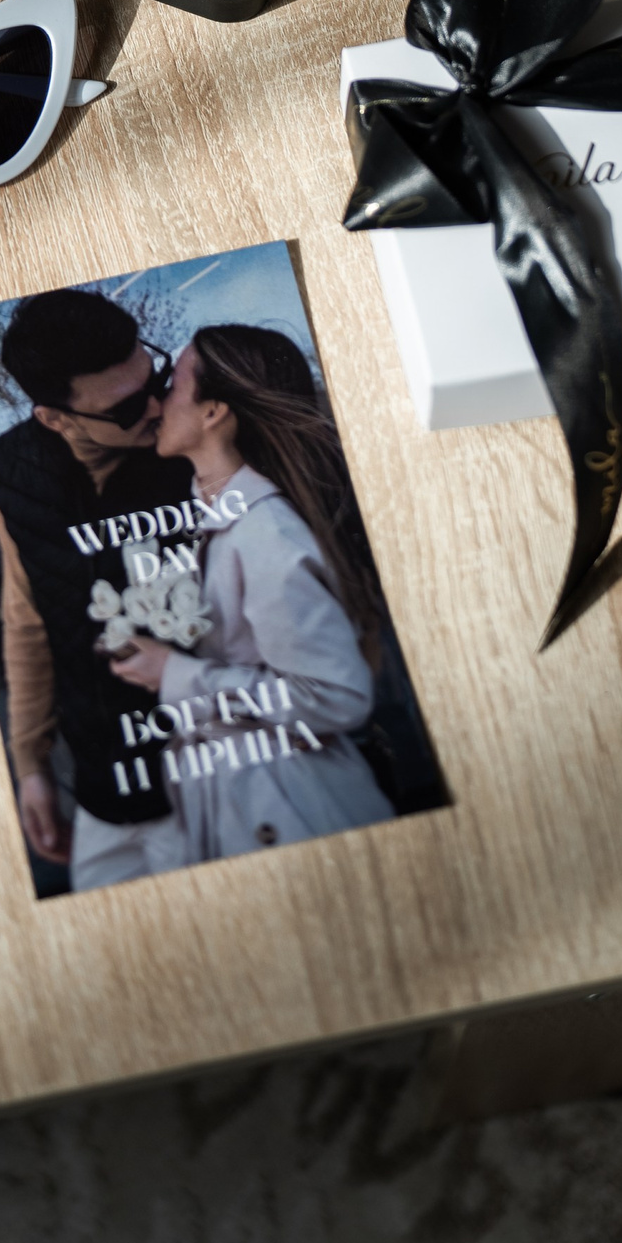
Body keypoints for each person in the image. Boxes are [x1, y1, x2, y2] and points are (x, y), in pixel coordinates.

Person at [108, 324, 395, 862]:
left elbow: (337, 695)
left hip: (294, 811)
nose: (157, 403)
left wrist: (174, 673)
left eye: (173, 385)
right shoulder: (211, 516)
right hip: (244, 800)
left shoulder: (266, 532)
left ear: (213, 412)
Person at [0, 288, 196, 890]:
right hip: (100, 784)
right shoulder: (8, 470)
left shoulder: (191, 446)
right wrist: (31, 765)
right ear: (54, 418)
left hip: (211, 771)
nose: (155, 408)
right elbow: (26, 614)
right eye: (125, 409)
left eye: (155, 378)